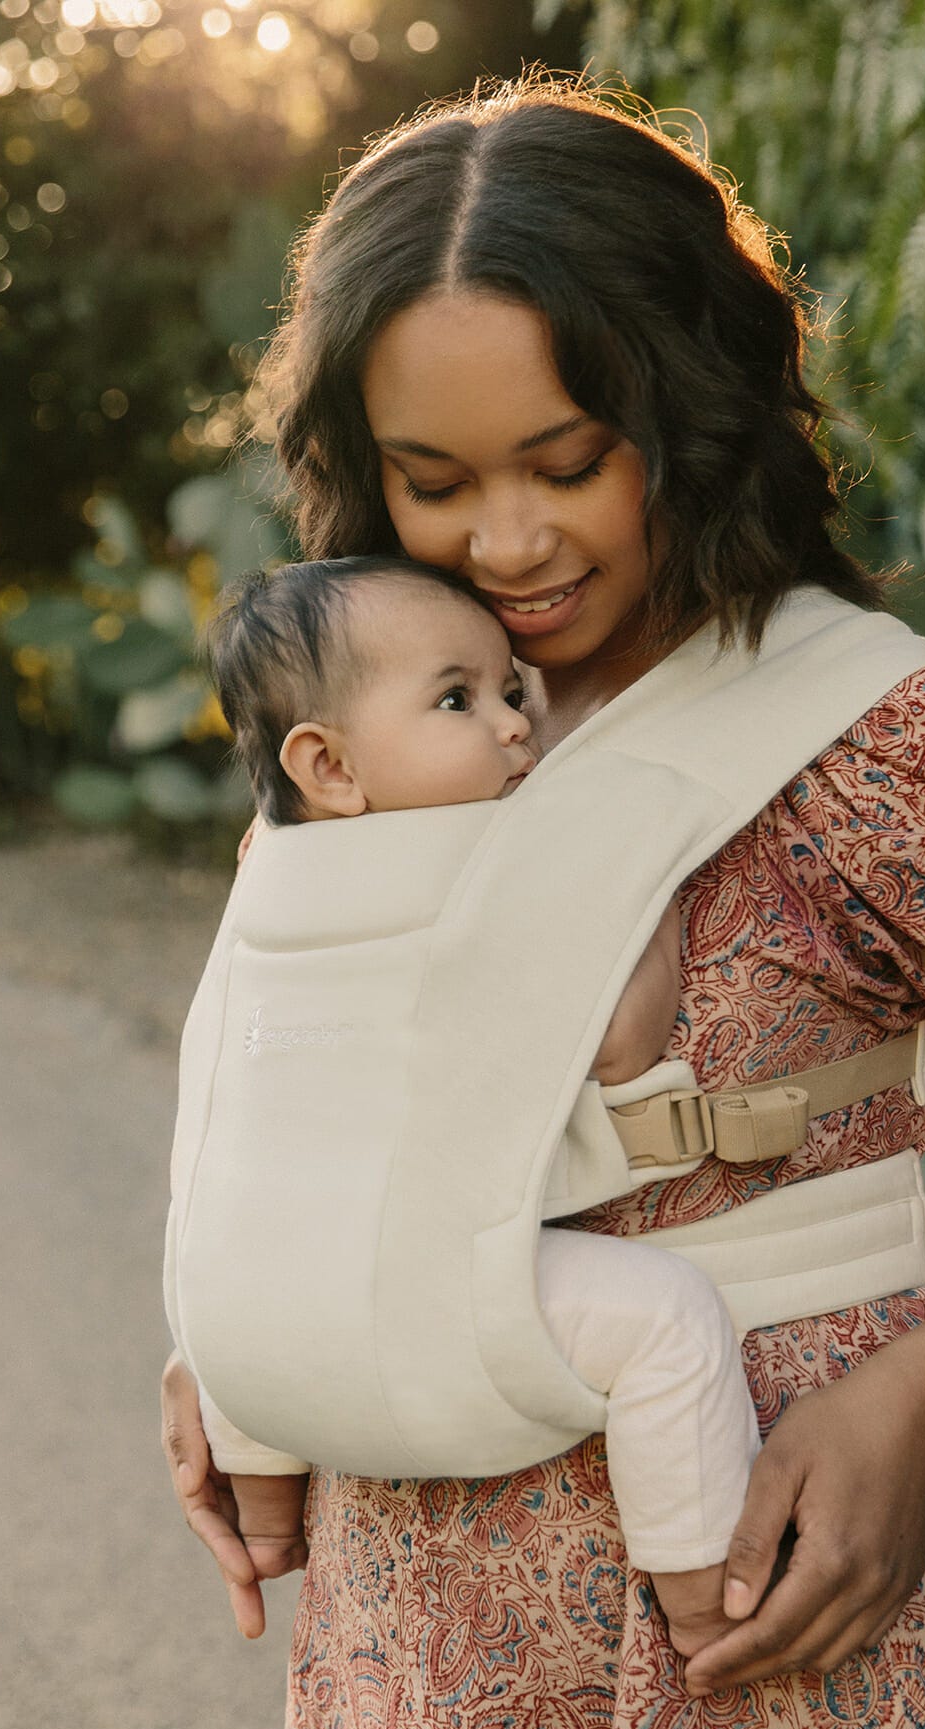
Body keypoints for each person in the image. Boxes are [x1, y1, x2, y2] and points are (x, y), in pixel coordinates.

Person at [160, 76, 925, 1729]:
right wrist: (254, 1326)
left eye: (568, 460)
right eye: (434, 478)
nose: (503, 544)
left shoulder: (884, 747)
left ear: (693, 403)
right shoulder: (362, 742)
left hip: (794, 1624)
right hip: (445, 1681)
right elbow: (310, 1087)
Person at [176, 551, 761, 1657]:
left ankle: (263, 1515)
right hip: (430, 1292)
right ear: (330, 765)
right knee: (669, 1320)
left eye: (510, 691)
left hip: (237, 1315)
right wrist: (649, 891)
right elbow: (625, 1040)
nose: (512, 728)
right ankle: (700, 1595)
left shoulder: (264, 868)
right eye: (458, 698)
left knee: (256, 1243)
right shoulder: (492, 861)